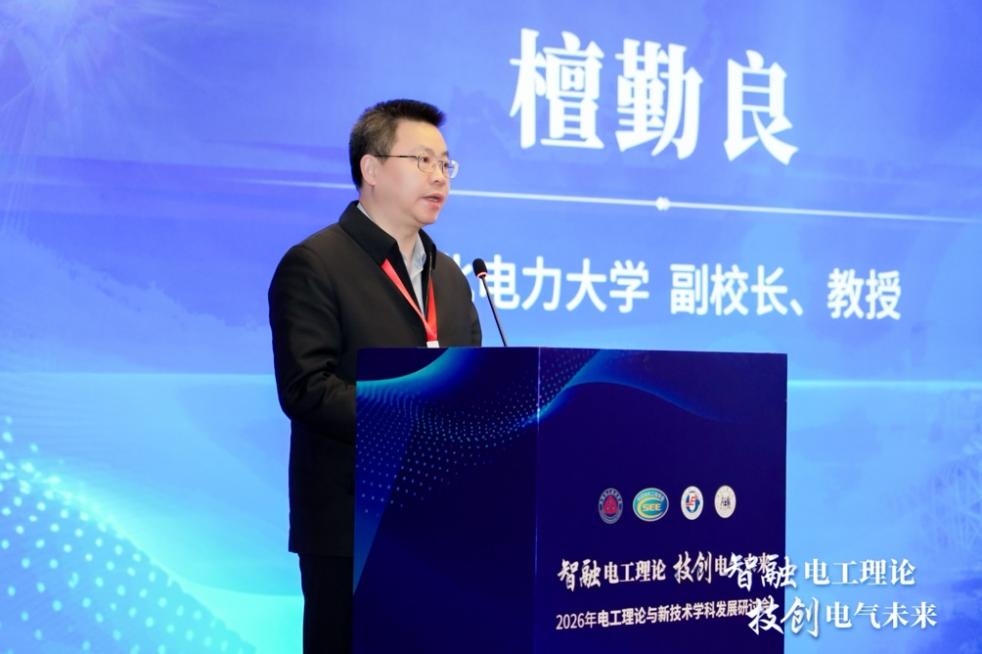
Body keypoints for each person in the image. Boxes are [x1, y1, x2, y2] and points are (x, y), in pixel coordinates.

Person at [268, 99, 482, 653]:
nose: (439, 176)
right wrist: (412, 417)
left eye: (445, 164)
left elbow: (475, 382)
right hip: (351, 527)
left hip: (441, 524)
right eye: (422, 160)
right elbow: (307, 390)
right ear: (371, 168)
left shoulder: (451, 277)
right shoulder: (315, 263)